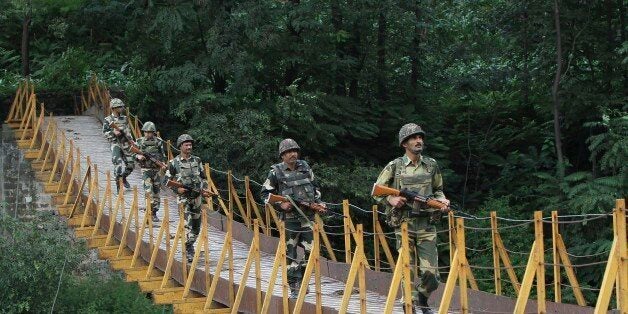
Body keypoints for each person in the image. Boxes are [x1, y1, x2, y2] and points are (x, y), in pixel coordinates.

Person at [373, 123, 450, 314]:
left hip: (426, 224)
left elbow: (438, 190)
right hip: (404, 224)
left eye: (420, 137)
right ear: (404, 143)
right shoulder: (395, 166)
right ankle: (410, 306)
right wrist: (391, 199)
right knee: (406, 269)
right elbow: (376, 191)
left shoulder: (431, 165)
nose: (419, 141)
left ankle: (420, 298)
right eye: (414, 138)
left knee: (431, 274)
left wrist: (442, 201)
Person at [260, 138, 327, 299]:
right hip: (290, 220)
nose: (293, 154)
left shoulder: (305, 167)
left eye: (295, 151)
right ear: (282, 155)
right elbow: (264, 194)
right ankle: (294, 287)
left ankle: (303, 279)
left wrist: (319, 203)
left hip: (307, 218)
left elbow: (315, 187)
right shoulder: (276, 172)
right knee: (290, 254)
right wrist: (280, 205)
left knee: (312, 252)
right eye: (289, 152)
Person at [164, 134, 208, 262]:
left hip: (197, 197)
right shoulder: (173, 163)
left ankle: (190, 244)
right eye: (186, 145)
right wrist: (176, 189)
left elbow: (203, 177)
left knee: (196, 226)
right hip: (183, 198)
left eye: (190, 144)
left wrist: (204, 189)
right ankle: (188, 249)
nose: (189, 147)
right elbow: (166, 180)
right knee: (188, 224)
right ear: (180, 146)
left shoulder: (197, 160)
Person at [135, 121, 167, 222]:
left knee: (157, 192)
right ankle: (148, 212)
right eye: (146, 132)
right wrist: (138, 156)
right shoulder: (139, 141)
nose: (148, 134)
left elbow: (163, 155)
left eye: (150, 132)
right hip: (146, 170)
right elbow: (132, 154)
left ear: (154, 132)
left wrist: (163, 164)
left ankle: (154, 212)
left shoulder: (159, 142)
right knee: (148, 191)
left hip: (156, 171)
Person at [102, 98, 135, 193]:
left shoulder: (124, 118)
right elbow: (104, 133)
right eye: (119, 107)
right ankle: (118, 186)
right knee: (118, 165)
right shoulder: (108, 120)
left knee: (131, 164)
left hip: (125, 143)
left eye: (121, 106)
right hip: (115, 144)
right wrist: (113, 132)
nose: (121, 108)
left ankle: (123, 178)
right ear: (114, 108)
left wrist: (132, 141)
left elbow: (128, 131)